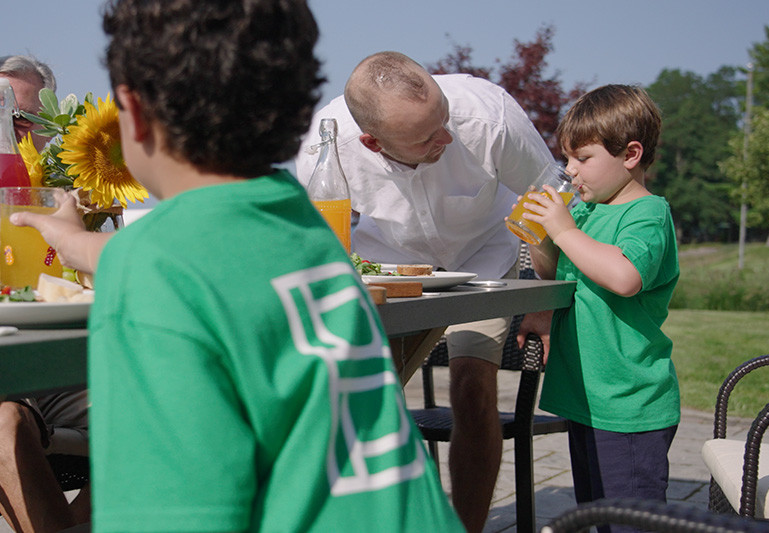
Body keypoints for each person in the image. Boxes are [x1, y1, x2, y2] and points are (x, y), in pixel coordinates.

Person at [15, 2, 465, 531]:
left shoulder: (157, 276)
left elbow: (174, 519)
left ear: (131, 113)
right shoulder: (301, 224)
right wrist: (73, 241)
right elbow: (204, 258)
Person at [294, 51, 556, 532]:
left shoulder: (489, 114)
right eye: (427, 137)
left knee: (471, 383)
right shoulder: (325, 145)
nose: (448, 137)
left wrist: (543, 297)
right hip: (391, 267)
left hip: (485, 259)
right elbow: (321, 238)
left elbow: (548, 197)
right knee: (364, 392)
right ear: (372, 142)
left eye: (444, 120)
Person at [517, 84, 680, 533]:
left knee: (631, 523)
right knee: (597, 517)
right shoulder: (586, 215)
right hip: (587, 399)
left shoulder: (646, 214)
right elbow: (560, 273)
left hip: (629, 405)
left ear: (630, 154)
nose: (570, 172)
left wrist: (565, 230)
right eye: (567, 159)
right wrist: (540, 237)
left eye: (582, 159)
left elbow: (624, 277)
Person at [0, 54, 91, 533]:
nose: (10, 129)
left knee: (165, 393)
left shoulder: (70, 192)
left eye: (22, 118)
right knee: (4, 425)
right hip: (7, 380)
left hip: (61, 370)